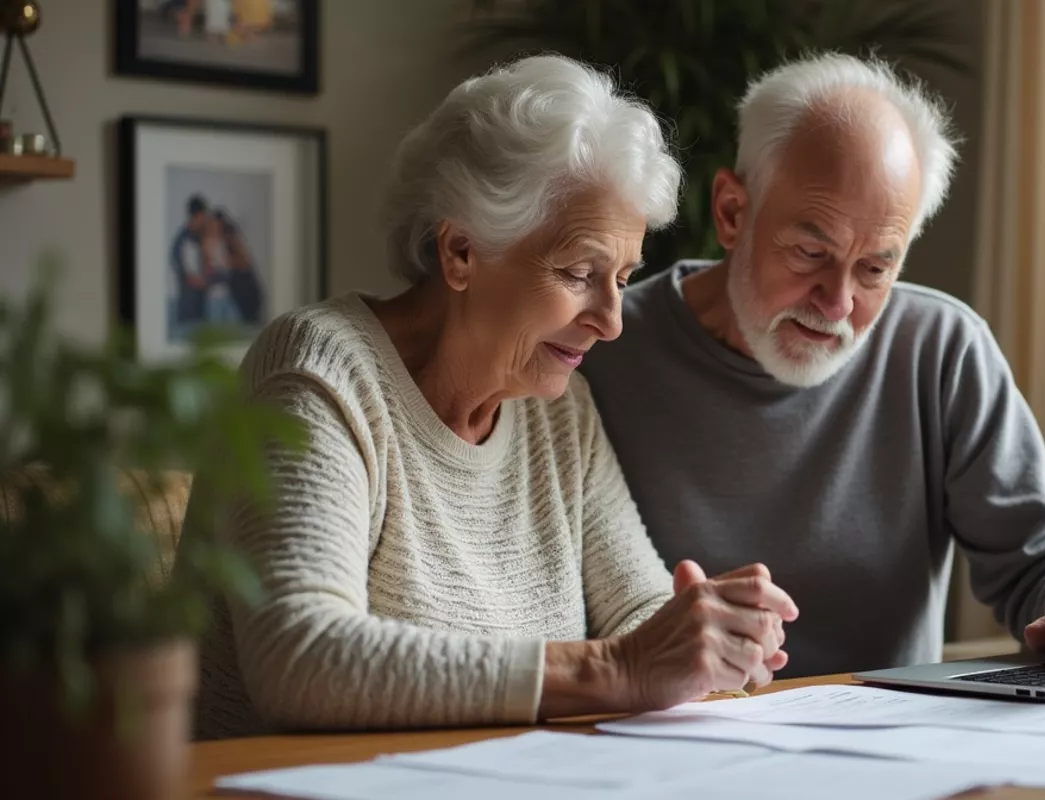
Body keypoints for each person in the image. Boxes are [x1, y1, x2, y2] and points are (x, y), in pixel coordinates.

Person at [581, 54, 1045, 677]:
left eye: (876, 267)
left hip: (893, 753)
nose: (838, 303)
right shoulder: (598, 345)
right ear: (733, 212)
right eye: (810, 254)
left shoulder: (939, 347)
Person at [184, 54, 796, 740]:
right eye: (578, 272)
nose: (611, 320)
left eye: (621, 278)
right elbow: (301, 658)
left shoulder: (558, 410)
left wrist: (703, 640)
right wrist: (611, 669)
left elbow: (640, 613)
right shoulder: (321, 370)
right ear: (461, 253)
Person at [170, 194, 211, 328]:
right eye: (203, 216)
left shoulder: (199, 237)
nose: (205, 220)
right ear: (197, 215)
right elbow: (186, 273)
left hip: (200, 304)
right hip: (189, 306)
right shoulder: (184, 240)